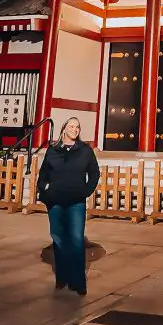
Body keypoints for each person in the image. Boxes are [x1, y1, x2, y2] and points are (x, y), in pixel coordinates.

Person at [37, 117, 100, 295]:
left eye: (77, 127)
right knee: (59, 239)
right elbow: (43, 174)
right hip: (55, 200)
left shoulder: (85, 151)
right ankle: (62, 277)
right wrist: (44, 188)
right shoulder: (52, 150)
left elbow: (94, 173)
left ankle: (78, 281)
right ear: (64, 129)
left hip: (75, 201)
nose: (75, 129)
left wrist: (86, 191)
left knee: (76, 239)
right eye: (71, 126)